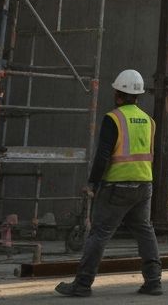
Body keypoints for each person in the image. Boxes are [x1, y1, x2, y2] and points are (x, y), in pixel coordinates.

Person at [56, 70, 162, 297]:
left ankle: (82, 284)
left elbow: (103, 155)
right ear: (138, 95)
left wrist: (92, 184)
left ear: (118, 94)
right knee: (145, 232)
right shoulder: (149, 121)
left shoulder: (113, 118)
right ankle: (154, 281)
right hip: (144, 185)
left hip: (117, 186)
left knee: (100, 233)